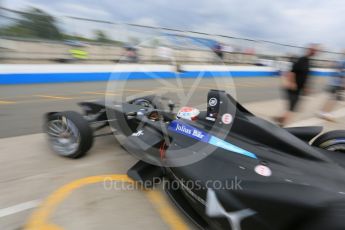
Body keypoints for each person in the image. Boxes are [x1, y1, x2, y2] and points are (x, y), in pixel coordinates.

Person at [275, 44, 318, 126]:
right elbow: (292, 72)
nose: (314, 52)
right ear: (308, 50)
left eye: (315, 51)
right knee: (293, 107)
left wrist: (306, 88)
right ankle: (282, 124)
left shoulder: (309, 61)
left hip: (299, 88)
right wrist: (292, 83)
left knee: (292, 107)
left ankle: (281, 120)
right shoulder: (301, 59)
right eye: (313, 50)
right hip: (294, 87)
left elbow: (305, 76)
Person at [317, 51, 345, 121]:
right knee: (334, 98)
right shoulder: (343, 61)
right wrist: (343, 83)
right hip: (337, 83)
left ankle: (324, 112)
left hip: (333, 82)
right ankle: (326, 112)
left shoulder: (339, 60)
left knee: (332, 98)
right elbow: (342, 73)